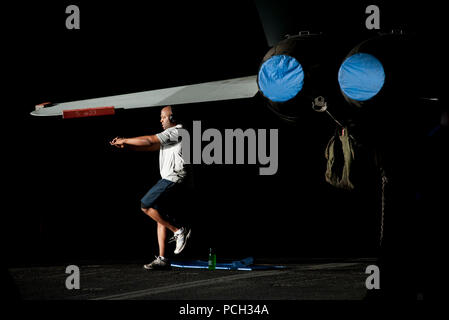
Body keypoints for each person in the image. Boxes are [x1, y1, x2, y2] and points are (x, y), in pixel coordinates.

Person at [110, 106, 191, 270]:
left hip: (174, 178)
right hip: (169, 179)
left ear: (172, 118)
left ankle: (179, 231)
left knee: (145, 204)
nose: (161, 120)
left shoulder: (177, 132)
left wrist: (125, 140)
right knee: (158, 214)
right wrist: (128, 147)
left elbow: (149, 140)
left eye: (163, 117)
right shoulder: (171, 136)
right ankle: (162, 258)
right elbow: (150, 147)